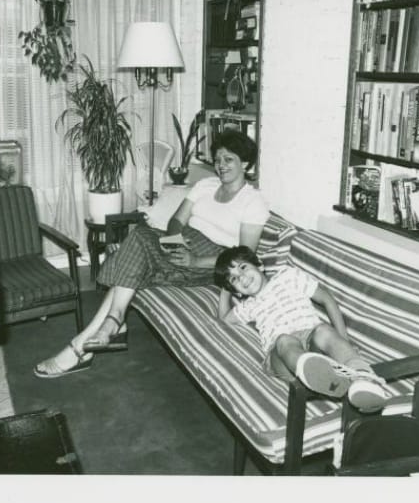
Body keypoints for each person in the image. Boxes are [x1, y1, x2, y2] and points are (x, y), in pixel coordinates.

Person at [34, 130, 270, 378]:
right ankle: (107, 327)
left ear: (245, 163)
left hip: (215, 261)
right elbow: (176, 221)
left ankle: (88, 340)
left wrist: (196, 260)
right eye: (218, 159)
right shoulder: (205, 185)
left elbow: (245, 256)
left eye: (229, 159)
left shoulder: (253, 201)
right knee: (138, 242)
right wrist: (173, 243)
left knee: (134, 252)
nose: (221, 166)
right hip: (183, 244)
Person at [214, 245, 388, 411]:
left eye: (243, 267)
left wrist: (344, 340)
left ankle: (363, 378)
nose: (242, 277)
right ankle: (312, 373)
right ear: (236, 291)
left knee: (324, 330)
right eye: (234, 279)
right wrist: (225, 287)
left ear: (259, 264)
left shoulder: (288, 276)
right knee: (284, 340)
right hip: (281, 356)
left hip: (312, 341)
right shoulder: (248, 305)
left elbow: (327, 299)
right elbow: (224, 318)